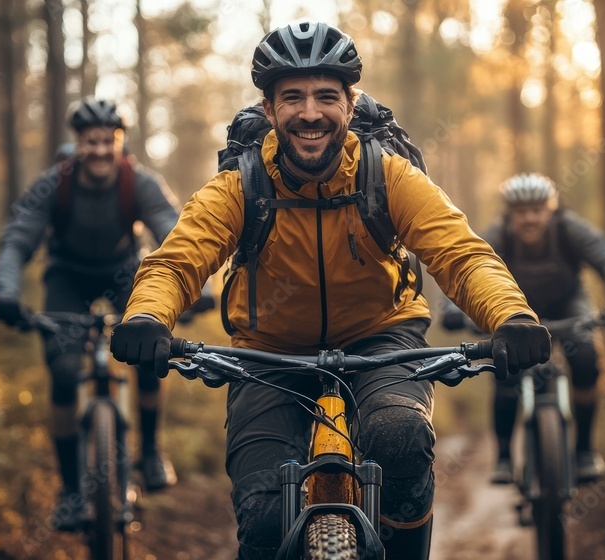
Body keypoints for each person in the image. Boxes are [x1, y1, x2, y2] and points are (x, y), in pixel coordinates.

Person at [108, 23, 551, 560]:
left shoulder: (386, 176)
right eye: (292, 97)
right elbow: (179, 260)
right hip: (268, 354)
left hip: (381, 339)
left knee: (399, 437)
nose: (310, 113)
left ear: (351, 103)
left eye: (326, 96)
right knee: (264, 515)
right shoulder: (242, 185)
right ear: (269, 110)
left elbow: (460, 253)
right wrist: (148, 317)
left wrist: (511, 317)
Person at [0, 98, 182, 531]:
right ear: (77, 143)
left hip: (124, 273)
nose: (99, 149)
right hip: (67, 279)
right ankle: (71, 493)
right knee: (62, 372)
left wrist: (200, 292)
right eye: (90, 141)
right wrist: (6, 291)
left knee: (151, 352)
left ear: (121, 142)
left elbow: (173, 234)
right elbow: (18, 239)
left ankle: (150, 452)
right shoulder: (52, 184)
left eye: (107, 140)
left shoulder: (140, 183)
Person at [440, 172, 605, 484]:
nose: (529, 218)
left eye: (537, 210)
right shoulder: (499, 234)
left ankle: (584, 449)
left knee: (585, 359)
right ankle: (504, 456)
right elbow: (465, 265)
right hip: (518, 309)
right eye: (521, 212)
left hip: (569, 305)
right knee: (506, 372)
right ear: (509, 214)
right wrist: (451, 309)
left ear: (551, 209)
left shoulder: (569, 229)